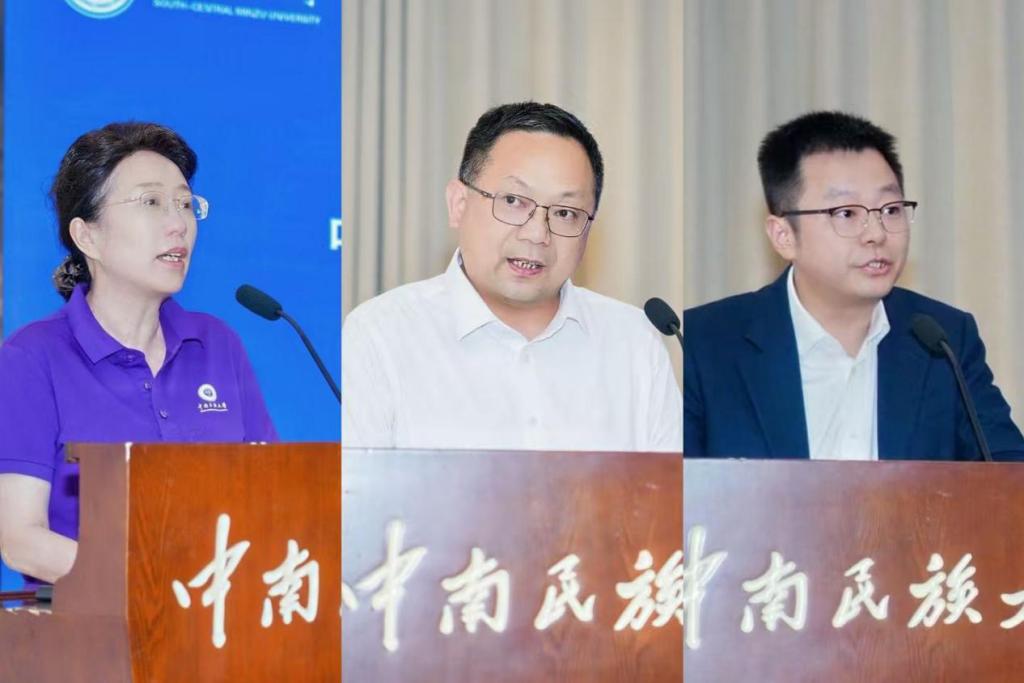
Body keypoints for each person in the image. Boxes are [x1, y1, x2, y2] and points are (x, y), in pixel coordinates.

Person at [0, 123, 277, 586]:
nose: (178, 224)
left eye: (185, 204)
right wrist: (157, 583)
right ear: (87, 237)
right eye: (151, 203)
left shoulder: (217, 344)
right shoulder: (31, 359)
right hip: (91, 624)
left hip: (220, 619)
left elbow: (273, 499)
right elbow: (21, 539)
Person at [684, 110, 1024, 461]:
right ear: (784, 236)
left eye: (890, 210)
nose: (876, 233)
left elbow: (1008, 474)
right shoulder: (705, 342)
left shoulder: (943, 340)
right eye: (846, 213)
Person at [342, 102, 681, 451]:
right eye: (514, 201)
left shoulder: (634, 343)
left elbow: (671, 486)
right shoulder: (381, 334)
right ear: (458, 204)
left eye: (565, 212)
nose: (537, 234)